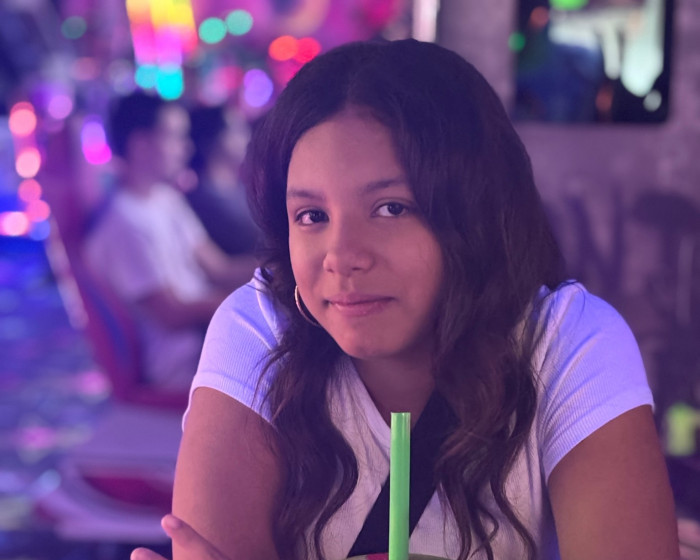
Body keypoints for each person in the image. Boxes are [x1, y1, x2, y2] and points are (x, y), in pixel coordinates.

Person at [132, 39, 679, 560]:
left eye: (391, 208)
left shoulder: (568, 343)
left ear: (472, 212)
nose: (341, 257)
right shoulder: (259, 331)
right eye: (312, 216)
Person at [83, 91, 256, 393]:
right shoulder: (123, 223)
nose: (186, 148)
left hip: (212, 336)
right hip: (185, 361)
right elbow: (172, 314)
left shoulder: (167, 198)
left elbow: (219, 268)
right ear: (140, 145)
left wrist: (284, 268)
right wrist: (253, 302)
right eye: (175, 137)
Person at [185, 104, 260, 256]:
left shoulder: (242, 188)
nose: (247, 137)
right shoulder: (204, 199)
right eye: (236, 131)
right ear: (211, 139)